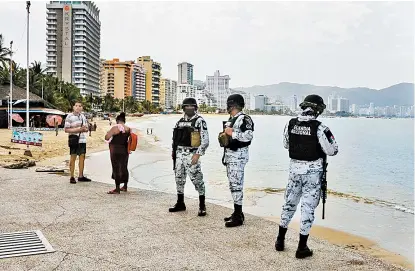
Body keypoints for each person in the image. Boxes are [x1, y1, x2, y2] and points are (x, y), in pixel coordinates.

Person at [275, 94, 339, 259]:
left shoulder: (290, 123)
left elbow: (286, 144)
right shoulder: (320, 128)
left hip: (294, 170)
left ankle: (280, 240)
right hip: (312, 173)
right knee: (307, 209)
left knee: (289, 204)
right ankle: (301, 247)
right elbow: (333, 150)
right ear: (317, 110)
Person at [169, 98, 209, 216]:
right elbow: (175, 140)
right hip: (179, 153)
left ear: (196, 107)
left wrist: (198, 154)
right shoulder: (179, 122)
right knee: (179, 179)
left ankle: (202, 205)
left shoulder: (199, 121)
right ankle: (180, 203)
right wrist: (174, 153)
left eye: (192, 106)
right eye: (187, 106)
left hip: (192, 153)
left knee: (197, 180)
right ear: (183, 108)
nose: (189, 108)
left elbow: (205, 141)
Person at [218, 94, 254, 227]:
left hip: (238, 156)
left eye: (229, 105)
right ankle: (237, 212)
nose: (228, 107)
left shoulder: (245, 119)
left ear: (233, 105)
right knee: (233, 185)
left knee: (236, 186)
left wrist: (231, 133)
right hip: (230, 155)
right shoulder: (232, 119)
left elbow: (248, 136)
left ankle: (238, 216)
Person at [64, 101, 91, 184]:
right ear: (73, 107)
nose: (78, 107)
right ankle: (72, 176)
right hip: (74, 139)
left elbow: (86, 129)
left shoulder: (83, 116)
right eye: (76, 106)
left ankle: (81, 176)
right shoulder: (69, 116)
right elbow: (66, 129)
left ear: (82, 108)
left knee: (82, 157)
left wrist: (85, 129)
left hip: (82, 140)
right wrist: (79, 129)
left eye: (80, 106)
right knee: (73, 157)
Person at [105, 112, 131, 194]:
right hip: (125, 150)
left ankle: (117, 188)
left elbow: (107, 137)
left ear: (117, 120)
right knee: (124, 167)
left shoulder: (115, 128)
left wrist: (108, 133)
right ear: (124, 121)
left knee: (116, 168)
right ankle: (125, 186)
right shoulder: (128, 128)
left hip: (115, 150)